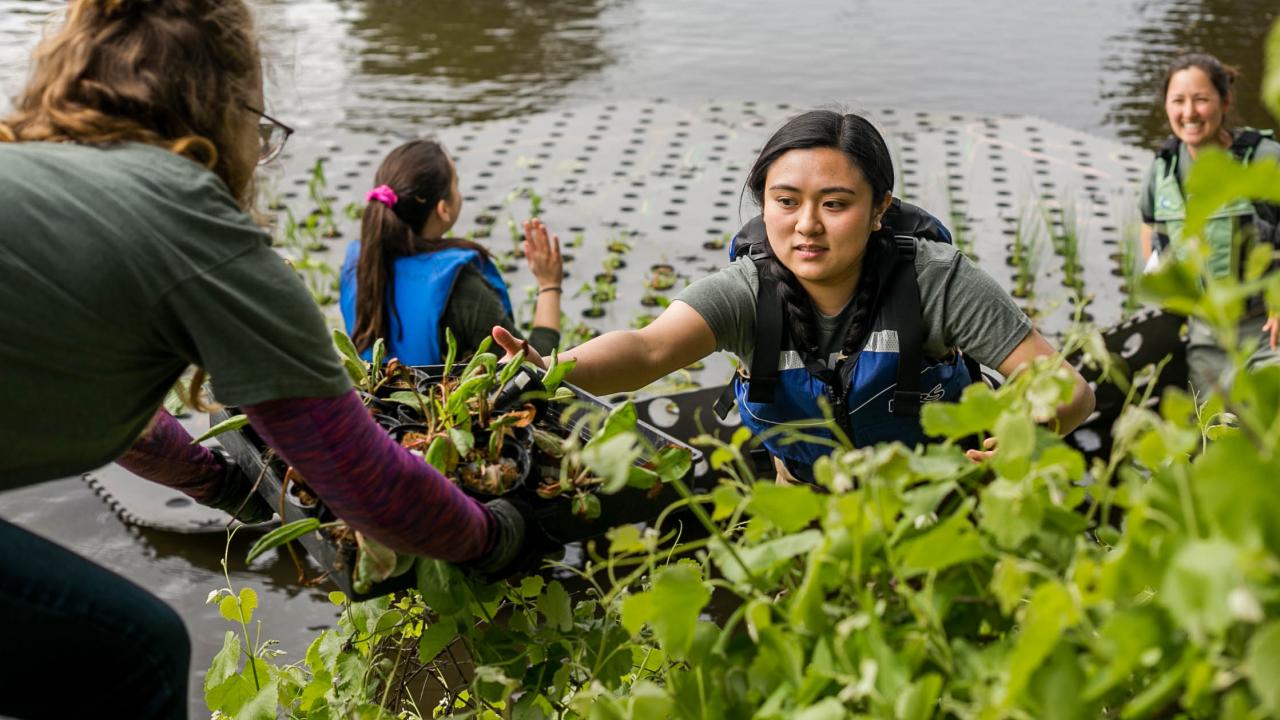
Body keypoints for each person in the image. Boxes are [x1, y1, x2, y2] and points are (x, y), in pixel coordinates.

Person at [0, 2, 532, 717]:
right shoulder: (191, 217)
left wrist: (228, 489)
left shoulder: (42, 174)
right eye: (258, 120)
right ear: (220, 107)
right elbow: (362, 480)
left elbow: (135, 426)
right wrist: (495, 537)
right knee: (138, 654)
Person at [493, 110, 1095, 482]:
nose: (806, 225)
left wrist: (1028, 437)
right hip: (810, 510)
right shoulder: (748, 290)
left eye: (834, 204)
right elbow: (648, 351)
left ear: (879, 209)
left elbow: (1068, 389)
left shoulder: (935, 281)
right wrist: (551, 370)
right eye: (785, 202)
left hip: (942, 501)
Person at [339, 138, 563, 365]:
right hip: (445, 400)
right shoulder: (463, 290)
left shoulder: (360, 267)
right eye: (456, 183)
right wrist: (549, 285)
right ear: (443, 209)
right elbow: (533, 371)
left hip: (379, 398)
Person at [1138, 52, 1280, 395]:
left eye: (1201, 100)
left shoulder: (1264, 158)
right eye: (1178, 101)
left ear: (1225, 100)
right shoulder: (1163, 168)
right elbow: (1150, 226)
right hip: (1204, 335)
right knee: (1215, 434)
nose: (1189, 113)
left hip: (1266, 330)